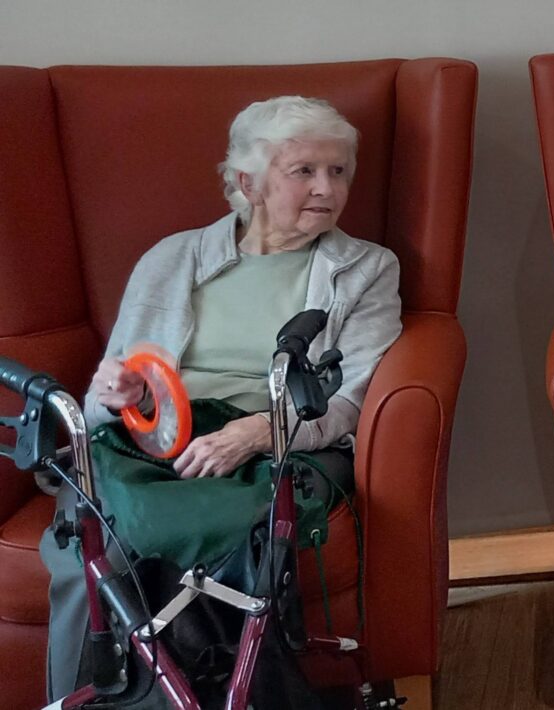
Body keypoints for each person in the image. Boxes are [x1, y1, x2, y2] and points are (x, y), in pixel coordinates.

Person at [40, 95, 402, 704]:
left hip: (278, 443)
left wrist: (261, 431)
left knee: (203, 526)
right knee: (95, 523)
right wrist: (118, 393)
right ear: (247, 183)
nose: (327, 188)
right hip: (158, 442)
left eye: (339, 171)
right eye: (305, 171)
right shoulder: (171, 259)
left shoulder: (365, 269)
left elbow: (352, 398)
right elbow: (114, 394)